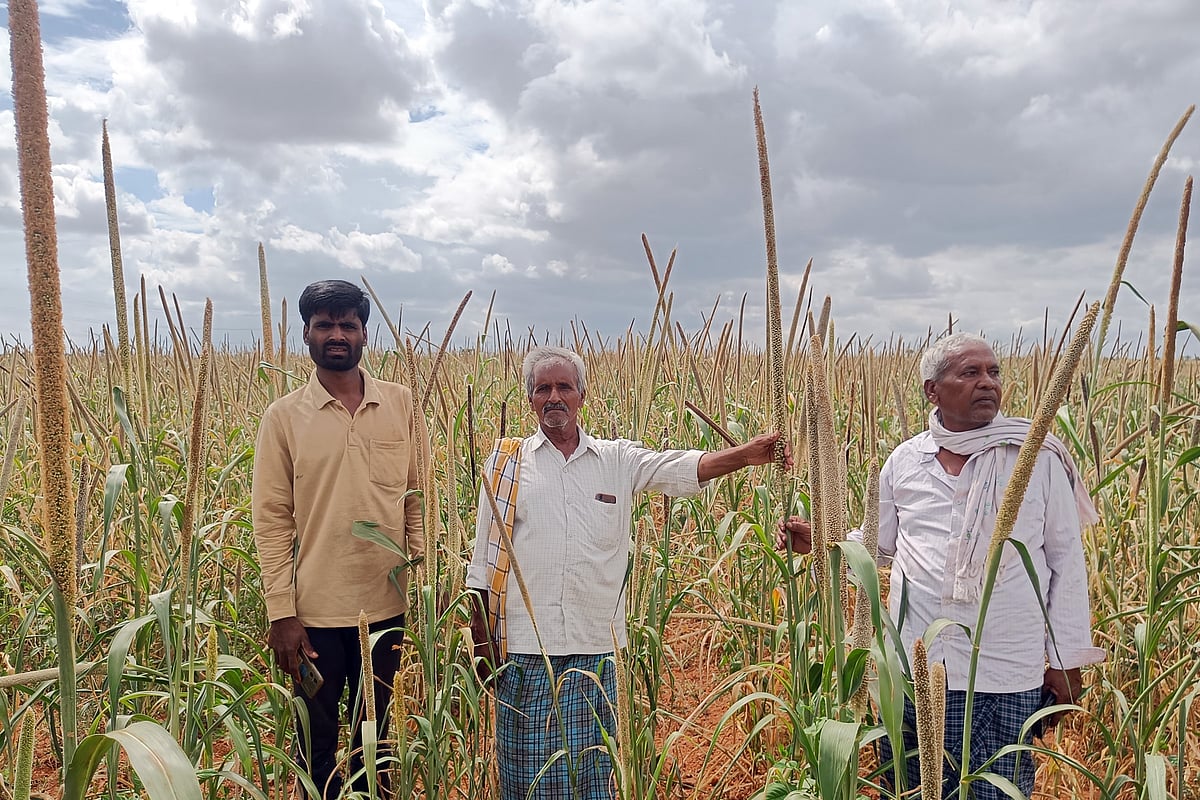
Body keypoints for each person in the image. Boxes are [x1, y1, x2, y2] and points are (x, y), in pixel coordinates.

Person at [780, 332, 1103, 799]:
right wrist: (825, 543)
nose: (988, 383)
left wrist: (1067, 662)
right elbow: (878, 546)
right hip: (916, 671)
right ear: (933, 390)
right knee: (911, 788)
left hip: (1007, 670)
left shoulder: (1036, 457)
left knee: (997, 790)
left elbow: (1066, 563)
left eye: (994, 373)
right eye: (970, 373)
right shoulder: (906, 462)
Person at [467, 345, 790, 800]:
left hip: (594, 648)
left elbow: (682, 469)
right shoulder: (506, 466)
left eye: (564, 386)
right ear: (530, 399)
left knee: (592, 778)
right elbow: (483, 559)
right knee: (525, 780)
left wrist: (746, 454)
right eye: (543, 388)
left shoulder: (617, 461)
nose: (553, 396)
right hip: (523, 649)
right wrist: (482, 639)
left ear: (582, 394)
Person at [252, 279, 428, 799]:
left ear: (364, 334)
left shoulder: (401, 404)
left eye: (347, 324)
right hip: (314, 618)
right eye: (324, 324)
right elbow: (272, 519)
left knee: (378, 741)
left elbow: (418, 499)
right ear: (305, 333)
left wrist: (423, 581)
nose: (336, 334)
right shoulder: (283, 417)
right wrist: (282, 613)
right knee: (319, 744)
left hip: (388, 606)